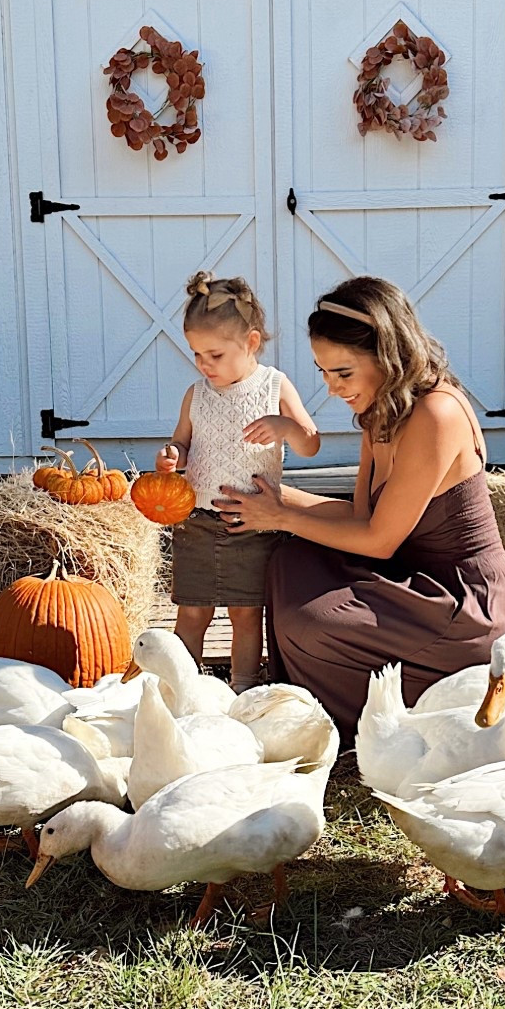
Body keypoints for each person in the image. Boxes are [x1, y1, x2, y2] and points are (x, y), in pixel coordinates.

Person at [212, 275, 505, 746]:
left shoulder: (435, 415)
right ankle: (314, 708)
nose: (332, 388)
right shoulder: (381, 412)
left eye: (343, 373)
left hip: (467, 606)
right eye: (323, 373)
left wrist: (282, 515)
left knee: (315, 622)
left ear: (387, 355)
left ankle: (355, 727)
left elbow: (379, 540)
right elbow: (361, 516)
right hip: (413, 579)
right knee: (290, 562)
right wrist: (273, 498)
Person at [156, 271, 321, 693]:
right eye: (196, 354)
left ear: (250, 342)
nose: (204, 365)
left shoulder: (274, 386)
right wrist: (174, 455)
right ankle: (183, 687)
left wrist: (285, 424)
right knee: (192, 612)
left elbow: (310, 444)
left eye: (214, 354)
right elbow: (183, 440)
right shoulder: (197, 394)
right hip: (197, 522)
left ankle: (244, 688)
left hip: (253, 525)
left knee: (246, 614)